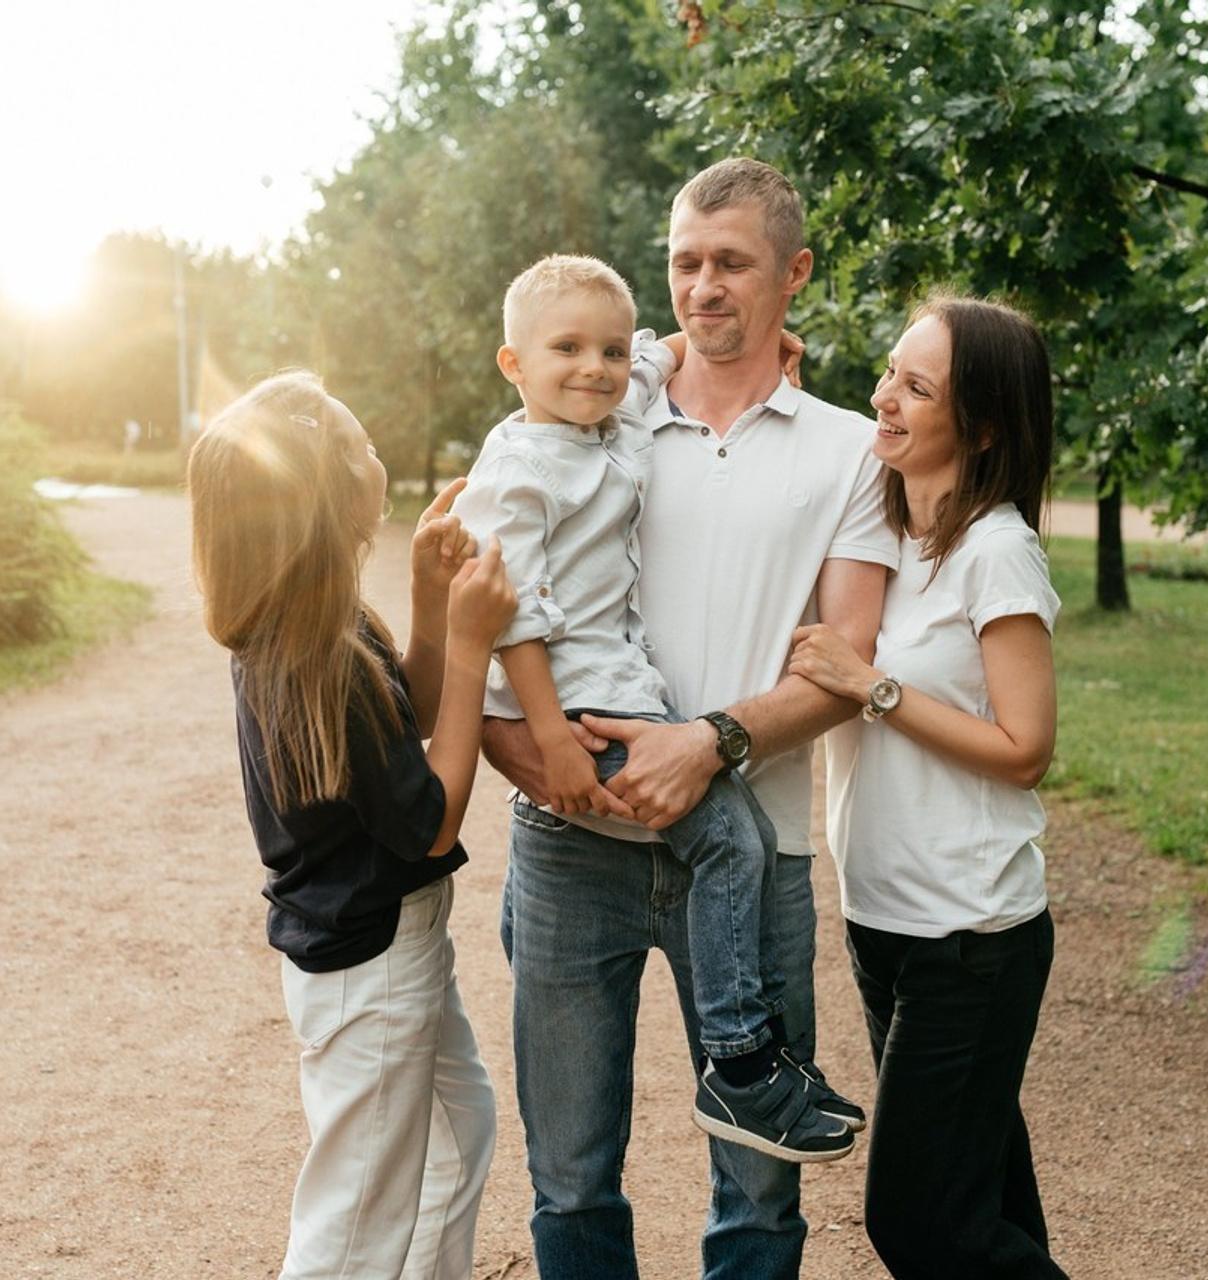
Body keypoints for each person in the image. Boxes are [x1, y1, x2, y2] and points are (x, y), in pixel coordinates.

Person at [482, 158, 899, 1278]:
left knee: (760, 1195)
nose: (701, 287)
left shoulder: (849, 449)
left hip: (753, 850)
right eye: (682, 263)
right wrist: (530, 753)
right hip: (574, 843)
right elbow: (489, 591)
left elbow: (844, 663)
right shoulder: (598, 408)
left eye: (731, 263)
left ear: (794, 274)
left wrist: (703, 741)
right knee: (568, 1176)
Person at [453, 252, 854, 1163]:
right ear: (513, 364)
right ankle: (742, 1061)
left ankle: (741, 1058)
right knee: (731, 838)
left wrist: (747, 335)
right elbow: (511, 604)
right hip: (581, 709)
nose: (593, 367)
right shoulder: (518, 464)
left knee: (738, 838)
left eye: (602, 349)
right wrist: (549, 736)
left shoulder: (612, 415)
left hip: (618, 691)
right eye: (565, 350)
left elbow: (651, 356)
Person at [187, 370, 517, 1279]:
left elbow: (405, 712)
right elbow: (430, 820)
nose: (377, 450)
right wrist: (477, 642)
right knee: (356, 1223)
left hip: (390, 948)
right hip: (369, 969)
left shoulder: (316, 622)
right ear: (328, 492)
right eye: (361, 444)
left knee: (459, 1133)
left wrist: (430, 594)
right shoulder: (314, 656)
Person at [789, 291, 1068, 1277]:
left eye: (915, 385)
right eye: (887, 372)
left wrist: (872, 687)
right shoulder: (883, 527)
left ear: (980, 424)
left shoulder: (994, 551)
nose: (884, 398)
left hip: (969, 935)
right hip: (886, 921)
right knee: (982, 1199)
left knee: (917, 1219)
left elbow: (1024, 745)